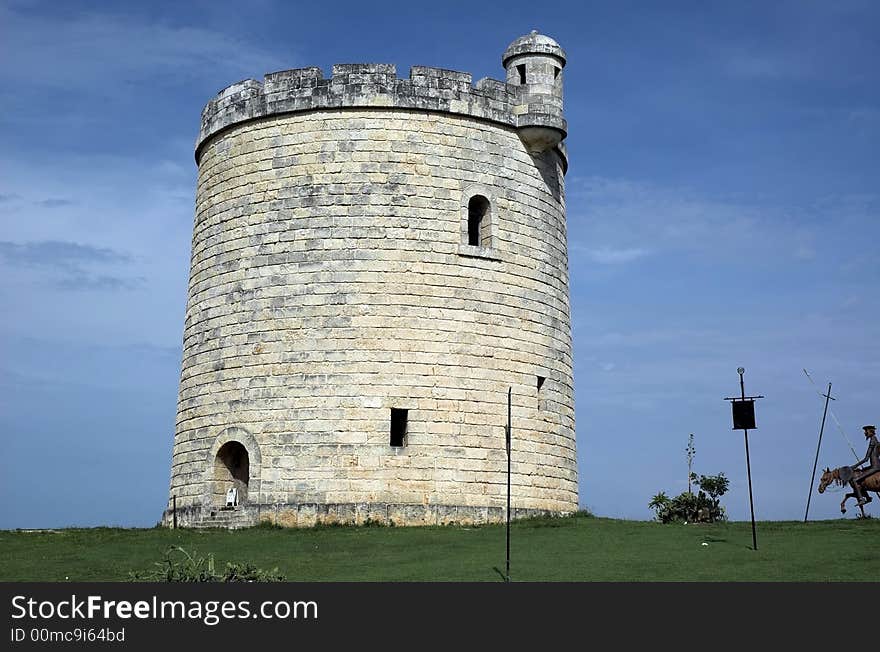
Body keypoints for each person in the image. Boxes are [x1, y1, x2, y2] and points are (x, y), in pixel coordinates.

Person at [850, 425, 879, 507]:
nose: (865, 433)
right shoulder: (875, 440)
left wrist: (854, 466)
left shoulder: (872, 441)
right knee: (860, 473)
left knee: (855, 480)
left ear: (870, 431)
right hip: (875, 465)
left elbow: (866, 458)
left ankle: (862, 499)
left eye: (866, 431)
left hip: (875, 467)